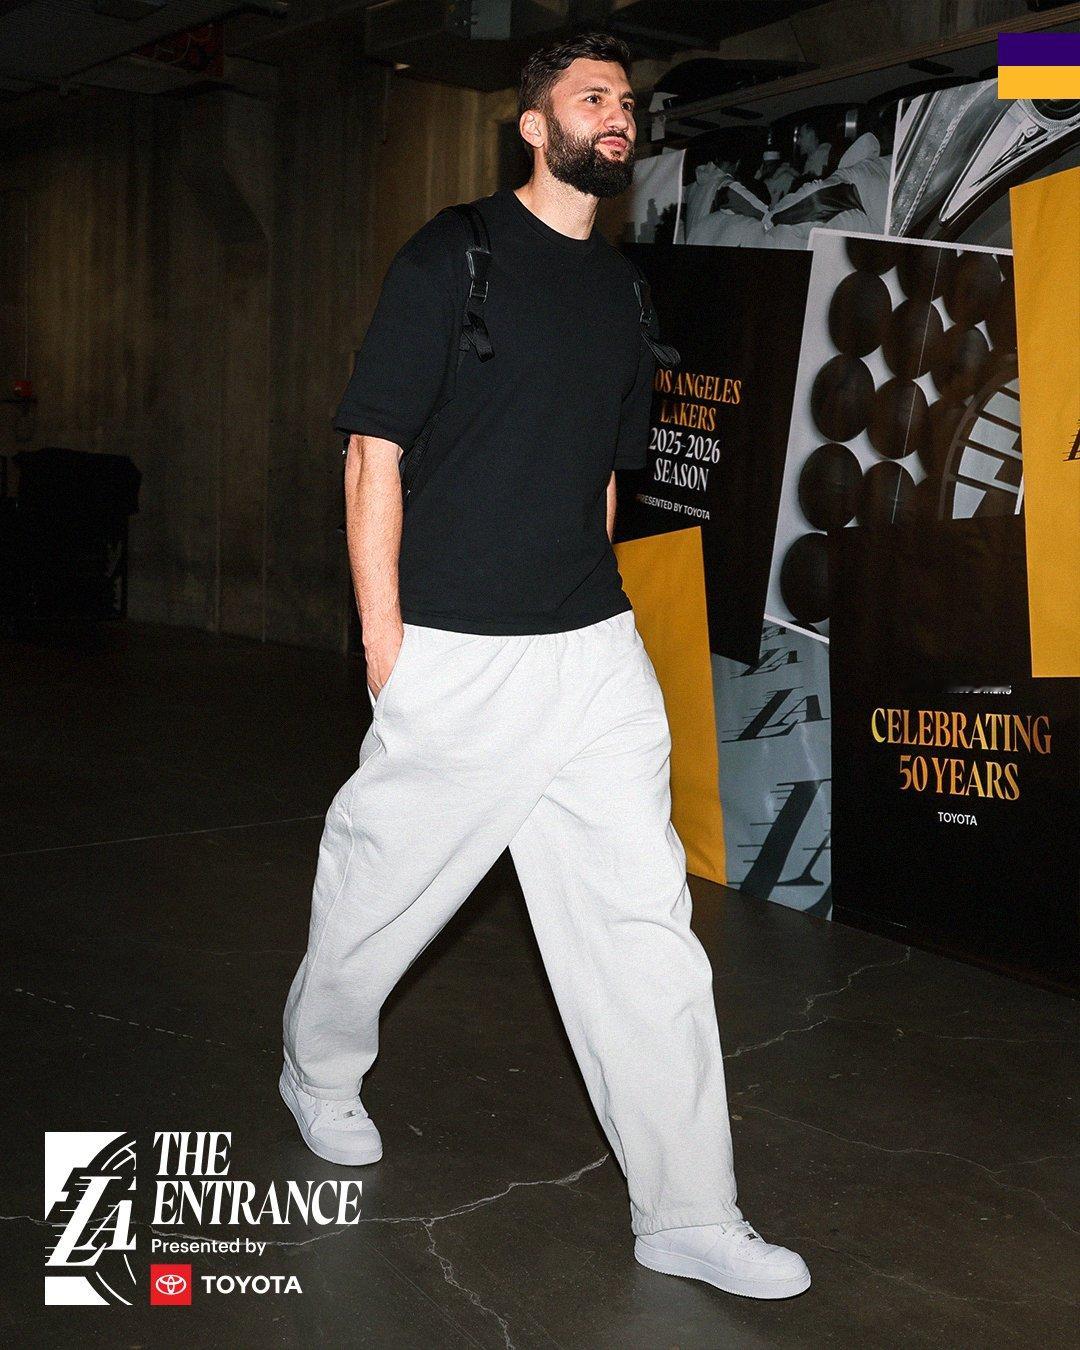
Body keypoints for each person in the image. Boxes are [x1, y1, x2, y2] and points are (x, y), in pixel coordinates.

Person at [279, 30, 811, 1302]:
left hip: (593, 652)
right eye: (591, 98)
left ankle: (687, 1210)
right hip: (457, 650)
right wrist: (385, 645)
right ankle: (318, 1069)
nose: (617, 114)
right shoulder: (452, 256)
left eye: (625, 100)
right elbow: (372, 453)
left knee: (643, 927)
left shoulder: (622, 290)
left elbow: (606, 478)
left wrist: (596, 613)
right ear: (534, 126)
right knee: (378, 897)